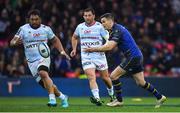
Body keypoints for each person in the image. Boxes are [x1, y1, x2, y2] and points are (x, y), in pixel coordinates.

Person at [84, 13, 166, 108]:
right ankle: (160, 97)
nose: (102, 24)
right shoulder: (114, 30)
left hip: (133, 56)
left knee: (113, 76)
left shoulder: (116, 30)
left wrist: (93, 49)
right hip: (137, 56)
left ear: (111, 21)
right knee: (141, 82)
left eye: (104, 22)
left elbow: (110, 46)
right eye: (101, 22)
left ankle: (119, 101)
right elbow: (109, 44)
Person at [10, 9, 70, 108]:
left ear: (40, 19)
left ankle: (52, 100)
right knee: (46, 85)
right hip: (31, 62)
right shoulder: (23, 29)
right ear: (29, 19)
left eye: (36, 19)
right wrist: (14, 43)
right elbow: (12, 41)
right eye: (32, 19)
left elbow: (55, 40)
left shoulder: (46, 29)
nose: (34, 21)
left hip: (44, 56)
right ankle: (63, 97)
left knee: (43, 73)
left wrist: (62, 51)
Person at [70, 8, 115, 106]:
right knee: (91, 77)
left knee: (105, 78)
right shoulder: (80, 27)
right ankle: (97, 98)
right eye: (85, 15)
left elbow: (108, 39)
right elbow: (74, 37)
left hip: (99, 56)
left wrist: (103, 47)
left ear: (93, 16)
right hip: (86, 56)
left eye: (89, 15)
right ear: (83, 16)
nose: (87, 17)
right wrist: (74, 49)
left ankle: (112, 95)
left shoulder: (100, 26)